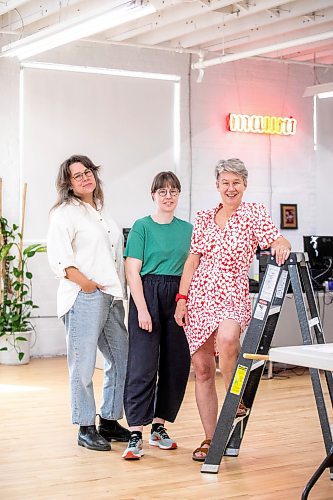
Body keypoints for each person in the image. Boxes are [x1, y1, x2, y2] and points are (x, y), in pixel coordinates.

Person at [174, 158, 291, 461]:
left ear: (244, 185)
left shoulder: (253, 214)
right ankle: (212, 439)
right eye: (225, 182)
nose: (230, 188)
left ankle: (234, 398)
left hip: (231, 290)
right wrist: (182, 298)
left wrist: (281, 243)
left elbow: (275, 237)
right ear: (217, 186)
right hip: (199, 294)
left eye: (236, 182)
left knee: (228, 340)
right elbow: (192, 260)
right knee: (201, 370)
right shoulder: (202, 218)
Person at [47, 154, 130, 451]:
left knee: (120, 359)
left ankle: (108, 420)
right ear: (68, 183)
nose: (85, 178)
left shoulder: (101, 213)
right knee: (82, 366)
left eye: (88, 172)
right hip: (84, 296)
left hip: (111, 296)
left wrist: (118, 289)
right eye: (77, 175)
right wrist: (87, 285)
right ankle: (85, 426)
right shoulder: (64, 214)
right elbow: (60, 260)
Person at [122, 171, 192, 460]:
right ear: (153, 195)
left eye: (173, 191)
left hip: (178, 295)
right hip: (148, 292)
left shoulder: (188, 229)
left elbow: (192, 269)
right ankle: (136, 431)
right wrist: (141, 308)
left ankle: (159, 427)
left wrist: (183, 301)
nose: (168, 196)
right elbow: (131, 270)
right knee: (143, 365)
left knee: (176, 365)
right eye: (162, 191)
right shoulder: (142, 227)